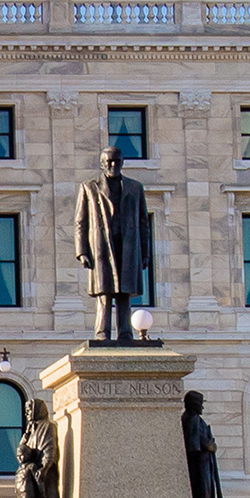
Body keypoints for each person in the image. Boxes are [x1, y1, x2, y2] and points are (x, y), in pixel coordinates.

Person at [71, 141, 155, 346]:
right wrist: (82, 250)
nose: (112, 165)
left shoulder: (135, 188)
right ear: (102, 164)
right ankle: (102, 333)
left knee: (124, 293)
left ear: (122, 163)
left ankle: (126, 333)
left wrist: (145, 253)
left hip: (128, 246)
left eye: (116, 161)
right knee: (104, 293)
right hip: (101, 246)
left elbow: (144, 223)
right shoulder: (89, 187)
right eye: (108, 162)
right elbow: (80, 222)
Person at [180, 386, 231, 498]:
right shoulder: (192, 419)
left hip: (204, 466)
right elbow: (193, 444)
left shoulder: (194, 419)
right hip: (199, 467)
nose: (202, 406)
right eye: (200, 403)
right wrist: (209, 445)